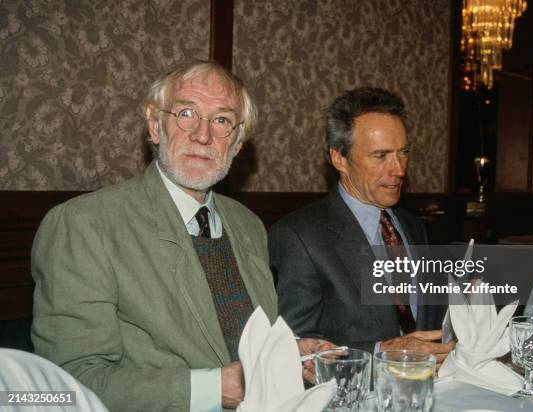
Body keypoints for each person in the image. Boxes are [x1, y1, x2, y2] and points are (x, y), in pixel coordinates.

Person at [31, 60, 328, 412]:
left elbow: (236, 341)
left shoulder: (247, 225)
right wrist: (212, 388)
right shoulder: (84, 225)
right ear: (155, 125)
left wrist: (287, 353)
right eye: (186, 113)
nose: (203, 136)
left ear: (237, 142)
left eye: (221, 120)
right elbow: (68, 383)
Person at [269, 87, 453, 362]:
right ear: (339, 158)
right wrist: (382, 352)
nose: (399, 169)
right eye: (381, 156)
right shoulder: (299, 237)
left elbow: (425, 319)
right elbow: (295, 349)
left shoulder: (412, 226)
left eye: (403, 152)